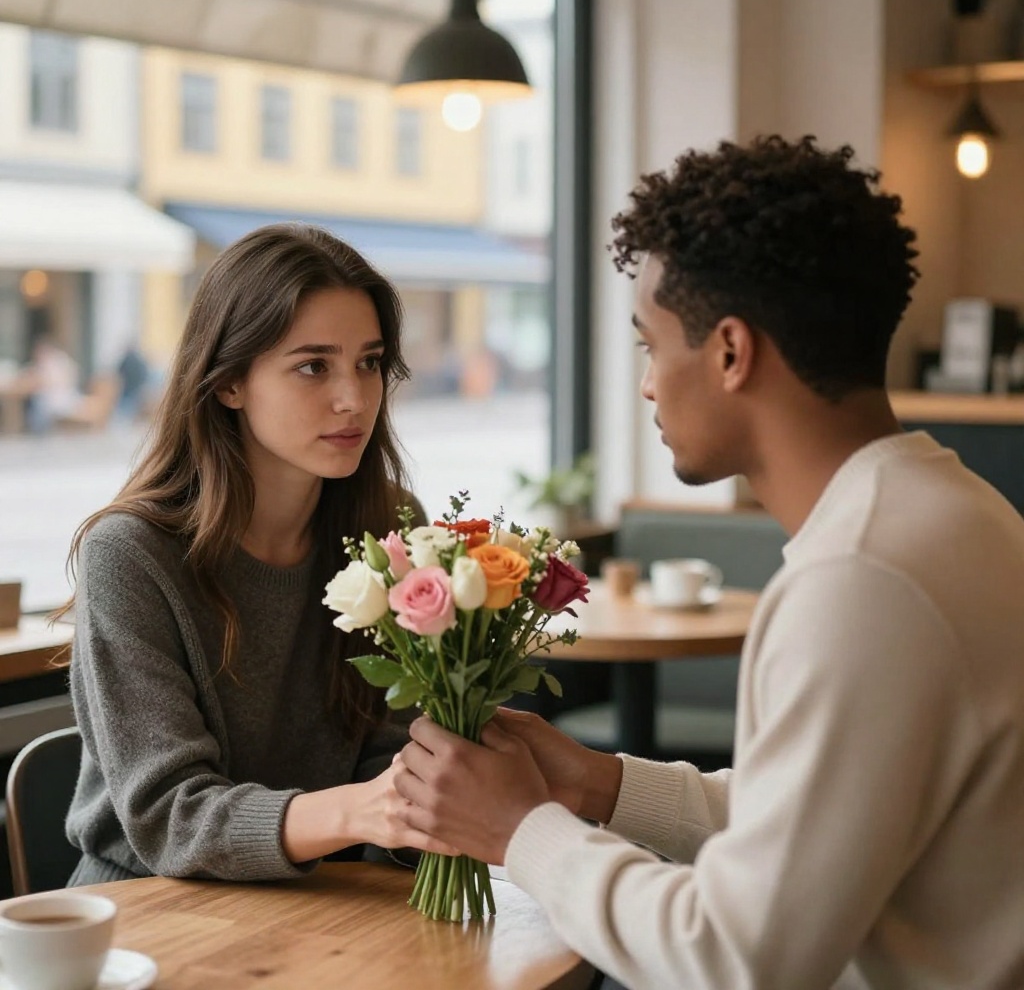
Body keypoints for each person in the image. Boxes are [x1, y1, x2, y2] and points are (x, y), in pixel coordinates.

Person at [394, 137, 1024, 989]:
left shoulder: (860, 582)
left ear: (731, 352)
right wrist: (601, 785)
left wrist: (521, 829)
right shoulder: (954, 513)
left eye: (651, 346)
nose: (648, 385)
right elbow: (817, 823)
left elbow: (739, 955)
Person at [61, 223, 451, 886]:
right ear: (229, 382)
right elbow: (170, 816)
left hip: (326, 900)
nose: (353, 398)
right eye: (313, 366)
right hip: (150, 915)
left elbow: (393, 757)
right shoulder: (131, 556)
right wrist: (363, 811)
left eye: (369, 362)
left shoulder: (390, 529)